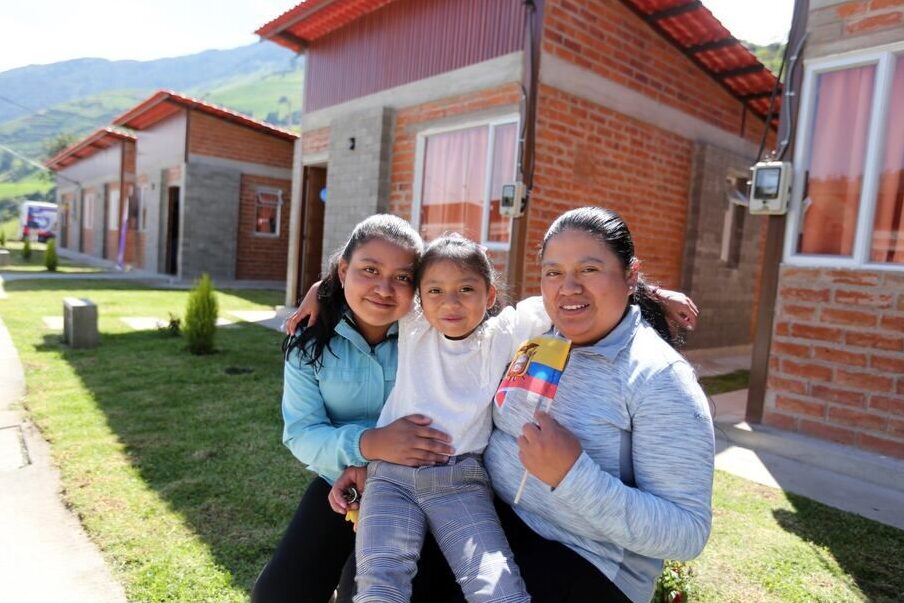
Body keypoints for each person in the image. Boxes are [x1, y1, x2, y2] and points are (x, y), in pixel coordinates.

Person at [331, 207, 715, 603]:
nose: (568, 288)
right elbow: (407, 286)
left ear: (629, 275)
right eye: (553, 272)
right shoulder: (540, 333)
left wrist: (572, 474)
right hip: (488, 512)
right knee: (363, 582)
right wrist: (323, 291)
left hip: (585, 559)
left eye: (589, 270)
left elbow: (687, 532)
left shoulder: (658, 378)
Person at [330, 234, 554, 603]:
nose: (450, 303)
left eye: (466, 289)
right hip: (390, 479)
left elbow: (565, 298)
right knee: (379, 581)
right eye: (434, 291)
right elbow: (359, 284)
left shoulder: (502, 334)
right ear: (420, 297)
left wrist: (644, 293)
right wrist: (316, 292)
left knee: (497, 586)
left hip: (459, 482)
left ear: (490, 296)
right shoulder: (415, 325)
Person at [251, 215, 456, 603]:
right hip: (339, 484)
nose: (383, 288)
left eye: (402, 277)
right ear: (344, 271)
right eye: (369, 270)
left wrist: (382, 464)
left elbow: (471, 293)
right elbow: (301, 433)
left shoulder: (431, 334)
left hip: (416, 492)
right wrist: (369, 444)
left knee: (358, 591)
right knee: (277, 593)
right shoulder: (310, 344)